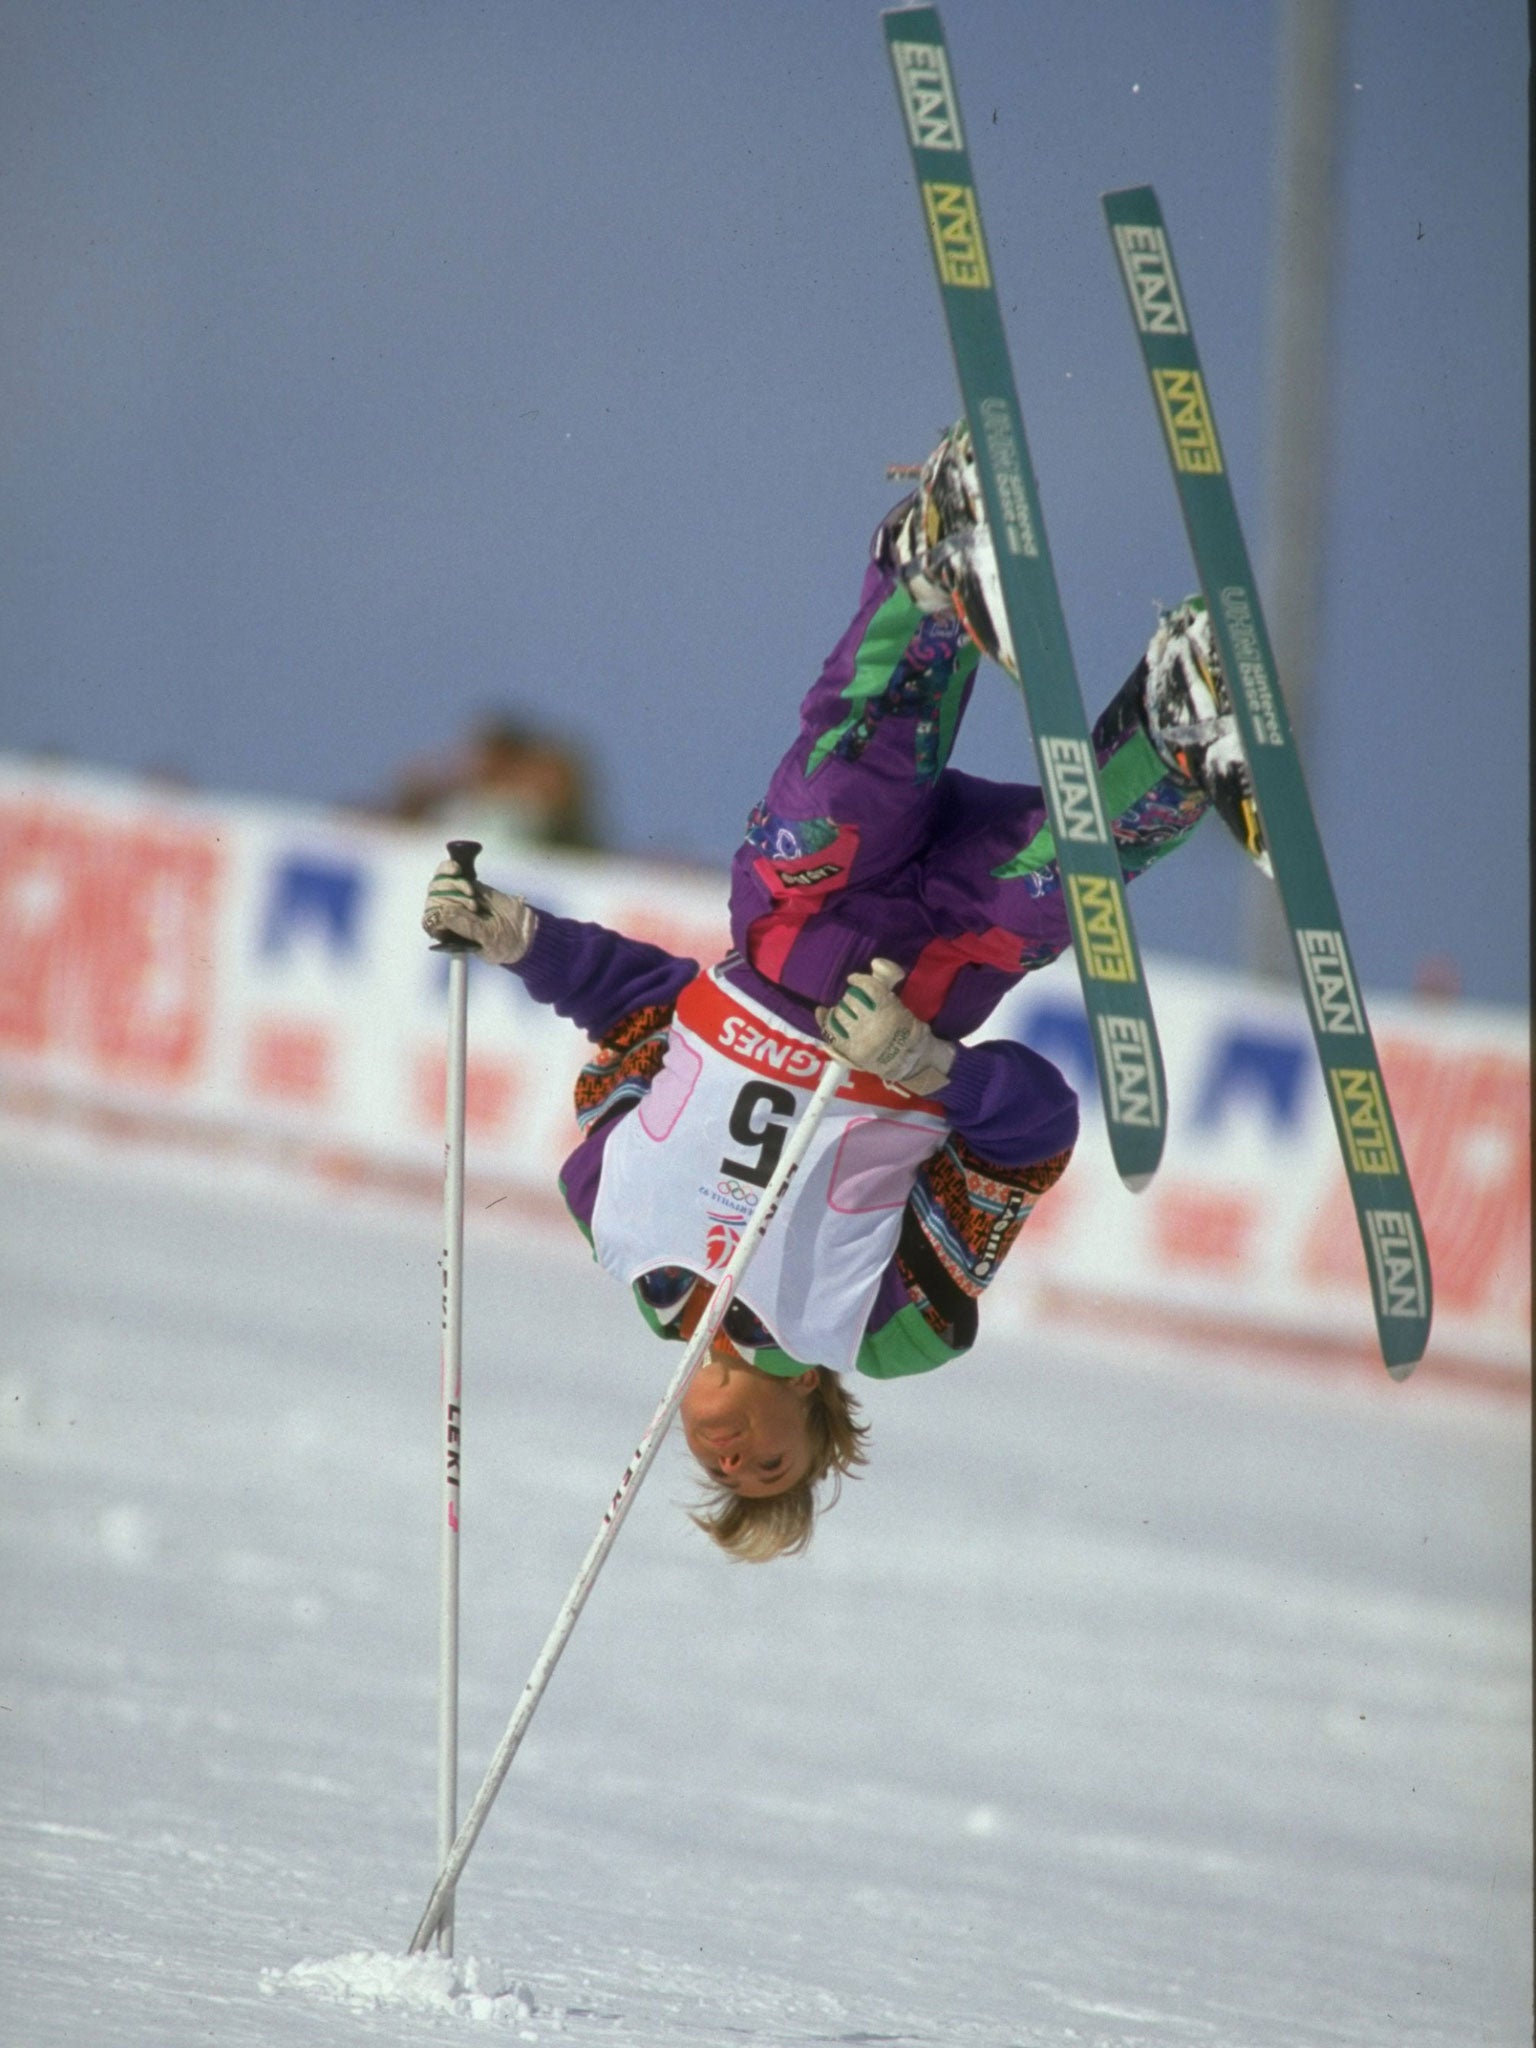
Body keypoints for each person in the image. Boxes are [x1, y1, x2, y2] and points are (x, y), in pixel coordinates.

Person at [421, 423, 1269, 1562]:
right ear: (822, 1421)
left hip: (797, 926)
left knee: (842, 791)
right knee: (1047, 884)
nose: (735, 1459)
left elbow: (648, 1014)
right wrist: (930, 1068)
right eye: (771, 1467)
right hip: (930, 980)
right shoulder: (890, 1329)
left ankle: (928, 570)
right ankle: (1177, 723)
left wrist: (522, 939)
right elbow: (1032, 1136)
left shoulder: (610, 1217)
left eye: (719, 1470)